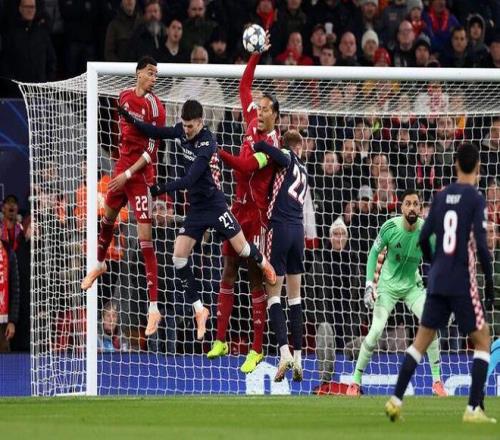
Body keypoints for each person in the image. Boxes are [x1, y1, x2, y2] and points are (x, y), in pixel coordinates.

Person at [118, 99, 276, 341]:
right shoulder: (182, 131)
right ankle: (200, 309)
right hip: (196, 209)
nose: (187, 130)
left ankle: (264, 262)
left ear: (201, 122)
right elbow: (156, 132)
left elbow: (190, 179)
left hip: (214, 204)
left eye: (190, 126)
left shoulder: (207, 142)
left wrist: (159, 188)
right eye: (184, 125)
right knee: (178, 258)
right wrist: (131, 120)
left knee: (243, 249)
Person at [385, 143, 496, 424]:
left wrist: (434, 263)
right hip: (461, 280)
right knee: (483, 339)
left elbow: (424, 238)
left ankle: (395, 400)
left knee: (420, 342)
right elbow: (482, 246)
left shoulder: (441, 195)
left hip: (436, 279)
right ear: (478, 167)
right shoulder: (475, 198)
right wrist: (489, 282)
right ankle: (473, 409)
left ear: (456, 165)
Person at [208, 24, 281, 374]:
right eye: (259, 107)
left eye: (266, 109)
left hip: (256, 216)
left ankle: (257, 349)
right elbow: (243, 87)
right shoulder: (252, 123)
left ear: (275, 115)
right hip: (236, 209)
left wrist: (217, 151)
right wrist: (255, 56)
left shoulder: (272, 145)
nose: (260, 111)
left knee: (254, 277)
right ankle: (220, 339)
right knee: (228, 269)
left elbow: (246, 166)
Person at [81, 56, 166, 338]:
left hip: (140, 176)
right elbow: (123, 138)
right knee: (107, 219)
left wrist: (127, 174)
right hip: (122, 168)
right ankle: (100, 263)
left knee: (145, 241)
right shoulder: (123, 97)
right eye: (150, 73)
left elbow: (152, 152)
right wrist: (121, 169)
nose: (154, 78)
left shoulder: (156, 107)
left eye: (156, 74)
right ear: (138, 73)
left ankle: (153, 308)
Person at [347, 189, 447, 397]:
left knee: (430, 325)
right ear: (401, 207)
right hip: (388, 286)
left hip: (412, 286)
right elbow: (373, 253)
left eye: (416, 204)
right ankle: (355, 382)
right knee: (375, 332)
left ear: (420, 208)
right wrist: (369, 285)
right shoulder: (390, 227)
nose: (412, 208)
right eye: (408, 203)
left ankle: (437, 382)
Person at [252, 130, 306, 382]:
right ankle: (299, 357)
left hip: (280, 228)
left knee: (273, 295)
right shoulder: (304, 169)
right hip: (298, 231)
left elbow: (281, 156)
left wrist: (260, 144)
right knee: (295, 298)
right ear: (301, 147)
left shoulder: (287, 155)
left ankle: (284, 352)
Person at [0, 238, 20, 352]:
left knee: (4, 359)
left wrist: (12, 321)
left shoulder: (8, 251)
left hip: (3, 322)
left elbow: (15, 289)